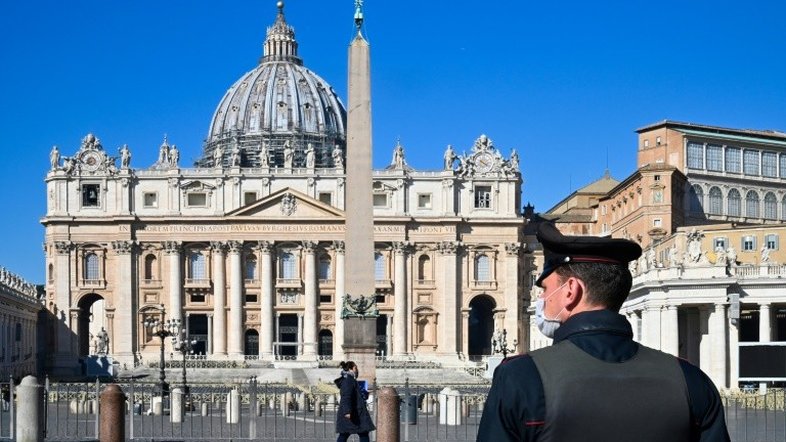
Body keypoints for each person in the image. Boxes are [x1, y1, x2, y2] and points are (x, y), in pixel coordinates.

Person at [477, 222, 729, 442]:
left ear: (570, 291)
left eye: (545, 288)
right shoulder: (691, 380)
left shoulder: (520, 378)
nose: (542, 298)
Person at [334, 361, 375, 442]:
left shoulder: (350, 379)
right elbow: (346, 396)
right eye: (355, 368)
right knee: (360, 433)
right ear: (350, 369)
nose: (357, 370)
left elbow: (354, 395)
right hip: (353, 412)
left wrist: (364, 394)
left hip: (355, 411)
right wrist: (347, 411)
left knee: (346, 433)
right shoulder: (348, 381)